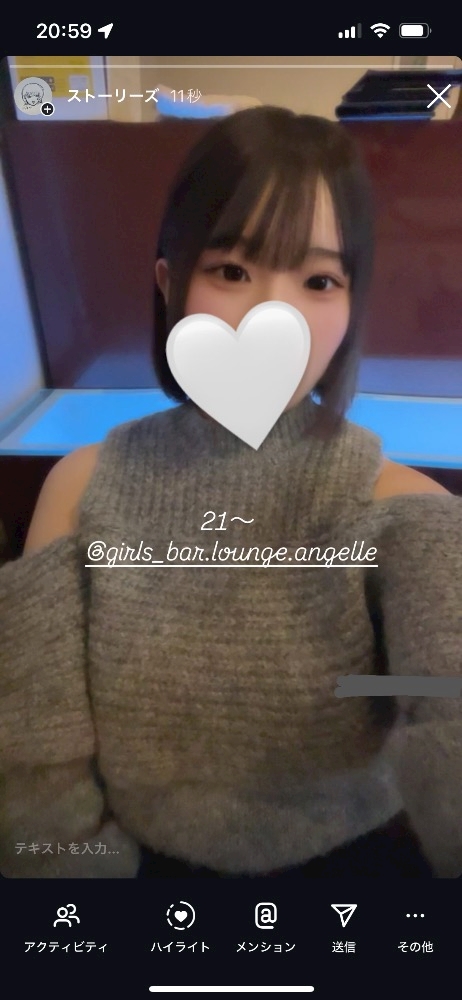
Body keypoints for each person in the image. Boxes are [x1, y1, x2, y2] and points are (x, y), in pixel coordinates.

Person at [1, 106, 461, 879]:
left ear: (351, 306)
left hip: (356, 880)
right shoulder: (79, 490)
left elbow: (447, 716)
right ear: (170, 283)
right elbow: (34, 758)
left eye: (318, 280)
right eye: (233, 271)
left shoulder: (407, 511)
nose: (273, 315)